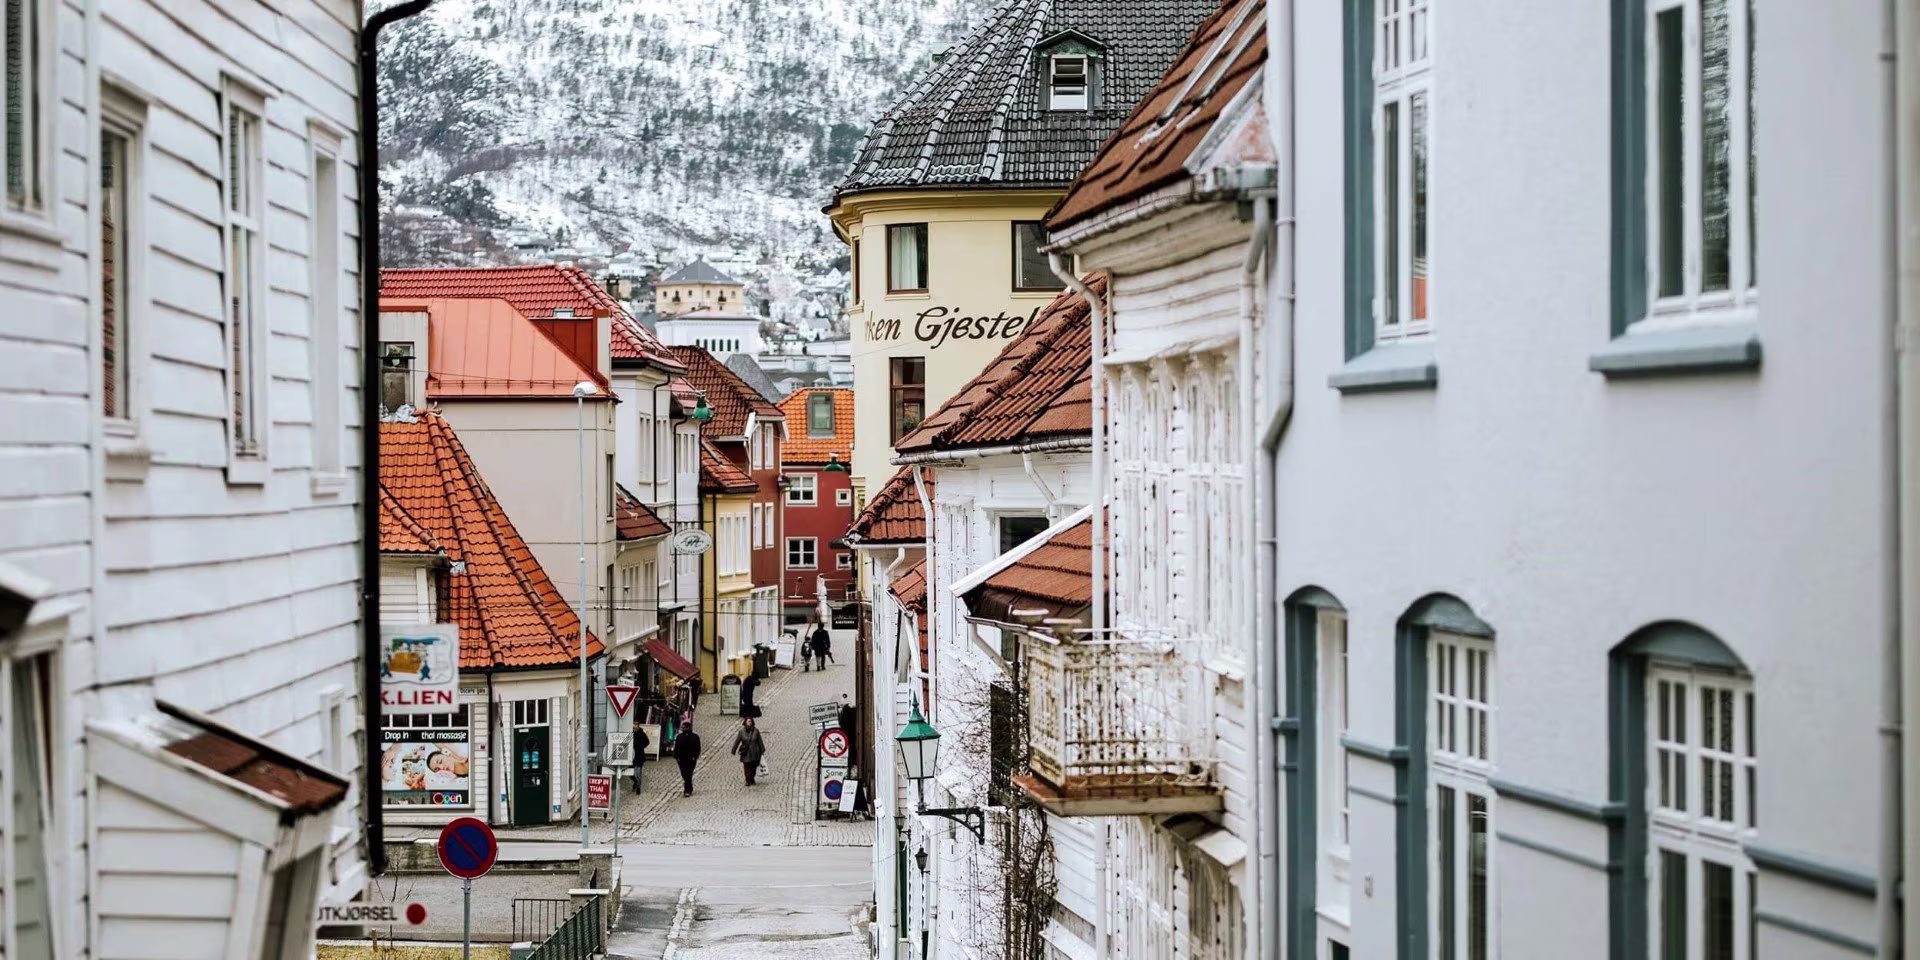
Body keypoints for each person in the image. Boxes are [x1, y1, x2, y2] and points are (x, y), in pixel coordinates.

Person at [731, 717, 766, 786]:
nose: (749, 723)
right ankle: (747, 779)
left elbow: (760, 741)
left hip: (755, 752)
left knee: (753, 767)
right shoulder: (741, 731)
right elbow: (737, 741)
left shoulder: (756, 731)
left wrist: (762, 750)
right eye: (748, 721)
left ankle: (752, 778)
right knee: (746, 766)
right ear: (745, 722)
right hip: (746, 752)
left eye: (750, 721)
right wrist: (733, 750)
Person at [673, 722, 703, 797]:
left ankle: (687, 790)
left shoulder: (695, 737)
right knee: (684, 773)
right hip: (681, 759)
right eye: (683, 727)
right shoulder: (679, 737)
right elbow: (676, 747)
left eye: (684, 727)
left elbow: (698, 748)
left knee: (688, 774)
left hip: (691, 759)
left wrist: (695, 756)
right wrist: (676, 757)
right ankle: (689, 787)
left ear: (689, 728)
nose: (683, 729)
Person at [631, 723, 651, 793]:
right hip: (631, 755)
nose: (635, 726)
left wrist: (641, 747)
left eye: (636, 724)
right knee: (630, 772)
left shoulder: (642, 733)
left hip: (639, 755)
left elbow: (647, 742)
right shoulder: (630, 733)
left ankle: (638, 787)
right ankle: (635, 781)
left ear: (638, 726)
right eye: (634, 724)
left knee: (639, 772)